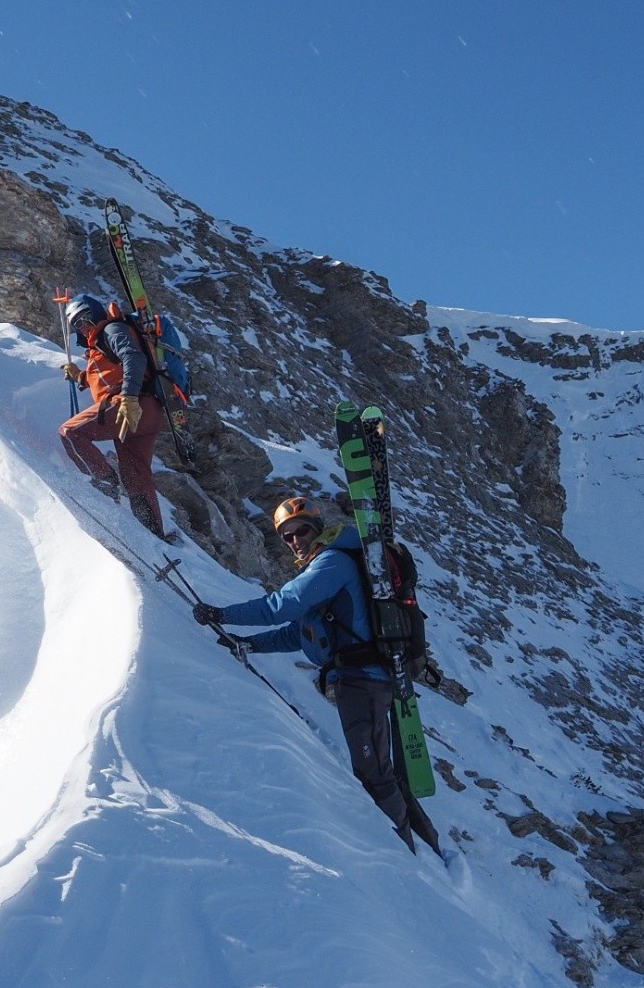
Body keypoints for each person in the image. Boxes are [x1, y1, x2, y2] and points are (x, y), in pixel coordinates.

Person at [192, 496, 440, 855]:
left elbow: (282, 607)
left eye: (301, 531)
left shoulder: (332, 563)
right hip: (360, 680)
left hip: (362, 681)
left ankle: (407, 857)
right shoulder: (328, 566)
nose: (295, 540)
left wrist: (222, 614)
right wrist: (250, 644)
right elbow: (301, 631)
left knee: (374, 774)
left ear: (317, 528)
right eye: (287, 536)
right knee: (381, 771)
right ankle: (428, 846)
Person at [58, 293, 168, 539]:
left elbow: (133, 357)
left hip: (130, 405)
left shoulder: (111, 330)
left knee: (70, 433)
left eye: (85, 318)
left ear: (96, 312)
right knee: (135, 474)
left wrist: (129, 398)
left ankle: (104, 485)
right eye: (77, 324)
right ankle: (153, 536)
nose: (84, 326)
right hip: (146, 412)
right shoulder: (100, 344)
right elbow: (110, 376)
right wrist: (80, 377)